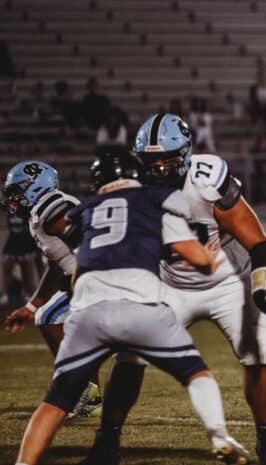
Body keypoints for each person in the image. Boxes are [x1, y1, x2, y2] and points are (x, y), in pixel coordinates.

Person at [82, 114, 266, 465]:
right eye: (150, 160)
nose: (157, 168)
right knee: (129, 355)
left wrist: (260, 291)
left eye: (166, 158)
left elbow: (259, 243)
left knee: (258, 352)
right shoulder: (134, 189)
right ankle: (106, 442)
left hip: (229, 282)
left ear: (184, 155)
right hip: (170, 283)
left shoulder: (206, 181)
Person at [13, 152, 251, 465]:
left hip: (89, 312)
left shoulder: (87, 209)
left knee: (55, 403)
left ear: (99, 182)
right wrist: (207, 256)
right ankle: (219, 436)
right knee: (197, 374)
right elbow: (194, 256)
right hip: (141, 307)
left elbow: (76, 271)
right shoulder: (155, 200)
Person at [3, 160, 103, 418]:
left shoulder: (53, 208)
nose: (12, 197)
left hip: (96, 277)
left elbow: (90, 242)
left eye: (17, 190)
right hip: (85, 278)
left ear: (35, 187)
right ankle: (87, 395)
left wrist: (85, 280)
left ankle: (78, 389)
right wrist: (30, 305)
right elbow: (56, 266)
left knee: (49, 318)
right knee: (51, 318)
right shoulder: (40, 212)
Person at [2, 210, 41, 303]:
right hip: (13, 241)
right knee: (7, 267)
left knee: (25, 269)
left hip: (25, 242)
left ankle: (27, 293)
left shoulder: (26, 211)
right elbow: (10, 226)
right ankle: (4, 294)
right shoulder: (10, 211)